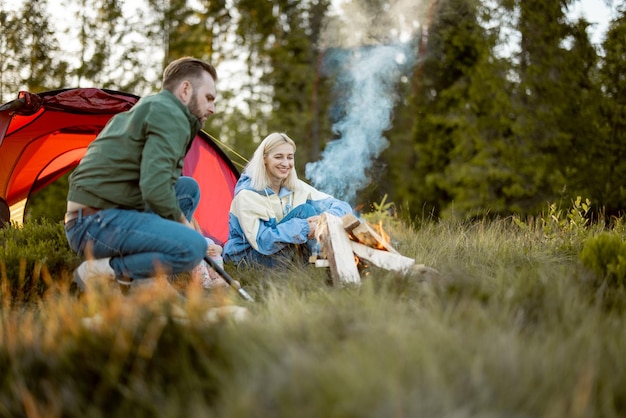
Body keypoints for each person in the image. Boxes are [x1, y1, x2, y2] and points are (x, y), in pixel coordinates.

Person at [64, 56, 218, 292]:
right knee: (193, 246)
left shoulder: (152, 106)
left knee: (186, 190)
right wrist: (184, 226)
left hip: (95, 216)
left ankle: (148, 277)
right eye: (209, 98)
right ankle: (108, 270)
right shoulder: (170, 114)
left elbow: (158, 184)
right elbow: (155, 188)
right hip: (95, 225)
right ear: (185, 89)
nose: (212, 108)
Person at [223, 132, 353, 268]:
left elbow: (342, 206)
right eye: (278, 157)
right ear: (264, 159)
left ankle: (325, 266)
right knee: (304, 212)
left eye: (290, 157)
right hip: (248, 258)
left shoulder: (296, 187)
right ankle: (323, 266)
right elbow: (262, 241)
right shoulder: (248, 194)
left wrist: (323, 219)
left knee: (310, 211)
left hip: (282, 255)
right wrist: (304, 227)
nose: (286, 163)